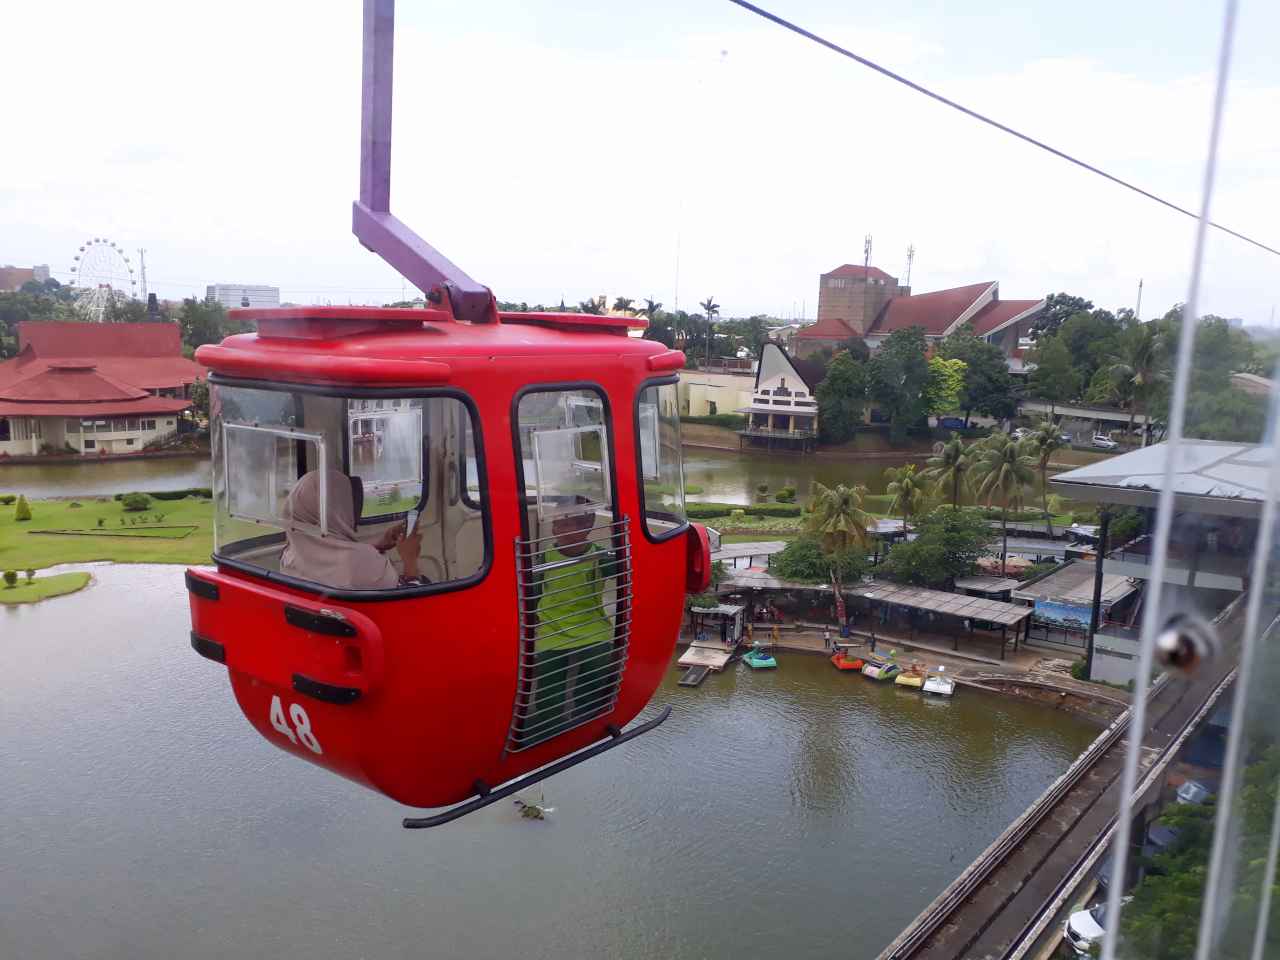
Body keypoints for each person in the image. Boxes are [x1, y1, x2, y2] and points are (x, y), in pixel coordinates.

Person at [527, 502, 616, 731]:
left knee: (599, 664)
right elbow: (534, 592)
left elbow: (623, 573)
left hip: (591, 625)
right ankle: (547, 724)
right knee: (547, 675)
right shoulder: (544, 557)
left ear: (588, 526)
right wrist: (533, 621)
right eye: (558, 525)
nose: (562, 531)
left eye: (569, 525)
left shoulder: (600, 556)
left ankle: (583, 717)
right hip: (551, 626)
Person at [280, 468, 422, 589]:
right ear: (336, 508)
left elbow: (332, 559)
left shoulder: (289, 557)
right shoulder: (362, 563)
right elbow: (411, 604)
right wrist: (410, 559)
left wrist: (378, 544)